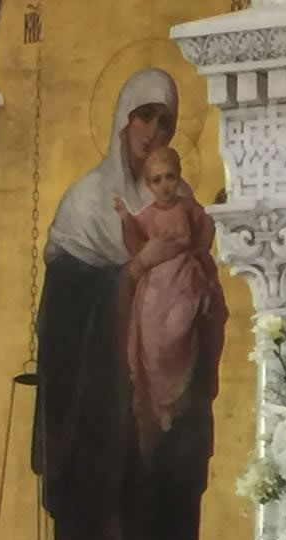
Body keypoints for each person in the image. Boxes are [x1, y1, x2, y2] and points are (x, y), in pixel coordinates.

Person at [32, 68, 229, 540]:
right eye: (145, 117)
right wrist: (136, 271)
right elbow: (61, 315)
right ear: (122, 119)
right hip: (99, 425)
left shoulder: (183, 206)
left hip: (167, 428)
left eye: (165, 122)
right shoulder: (88, 205)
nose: (153, 131)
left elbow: (206, 295)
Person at [116, 145, 223, 461]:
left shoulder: (189, 208)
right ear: (149, 185)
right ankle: (160, 406)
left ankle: (176, 401)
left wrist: (219, 208)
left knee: (180, 327)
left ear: (179, 177)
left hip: (184, 282)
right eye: (157, 180)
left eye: (169, 177)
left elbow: (204, 233)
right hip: (155, 289)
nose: (164, 185)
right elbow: (135, 243)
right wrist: (125, 217)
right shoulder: (147, 215)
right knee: (153, 342)